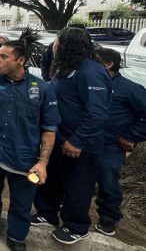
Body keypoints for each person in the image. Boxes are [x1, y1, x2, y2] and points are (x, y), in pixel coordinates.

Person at [0, 28, 61, 251]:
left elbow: (49, 129)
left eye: (3, 56)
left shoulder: (41, 88)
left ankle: (17, 236)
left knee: (22, 201)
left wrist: (43, 162)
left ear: (21, 60)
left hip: (26, 159)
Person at [32, 27, 111, 245]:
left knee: (78, 185)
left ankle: (76, 226)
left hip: (80, 145)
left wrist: (77, 141)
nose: (53, 47)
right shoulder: (66, 69)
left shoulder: (90, 72)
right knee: (52, 180)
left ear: (67, 45)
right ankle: (47, 214)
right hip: (59, 139)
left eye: (56, 43)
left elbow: (97, 113)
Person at [93, 48, 146, 237]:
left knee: (108, 184)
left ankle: (108, 221)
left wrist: (132, 136)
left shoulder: (130, 89)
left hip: (111, 146)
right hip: (86, 143)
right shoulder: (90, 84)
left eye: (95, 61)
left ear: (109, 64)